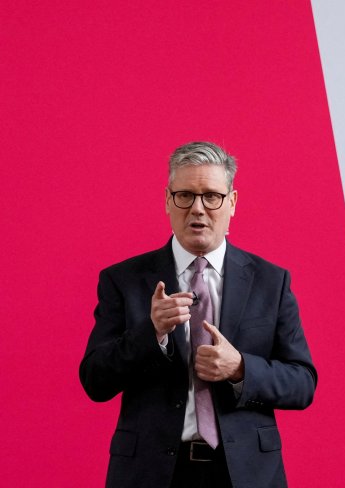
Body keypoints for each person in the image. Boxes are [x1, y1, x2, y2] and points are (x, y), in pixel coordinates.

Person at [80, 141, 317, 488]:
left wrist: (240, 368)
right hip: (151, 472)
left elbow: (302, 383)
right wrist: (153, 332)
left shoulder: (271, 281)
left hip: (246, 473)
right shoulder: (124, 280)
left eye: (212, 196)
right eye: (185, 196)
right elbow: (94, 381)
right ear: (167, 200)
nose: (198, 209)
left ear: (232, 202)